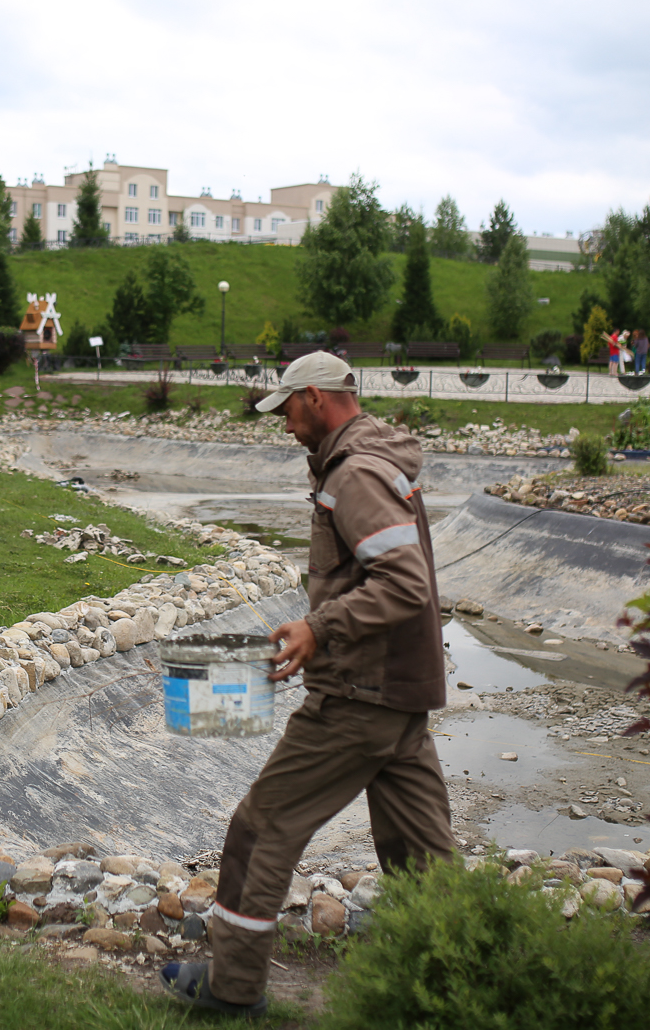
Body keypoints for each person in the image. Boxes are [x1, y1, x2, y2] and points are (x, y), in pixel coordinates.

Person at [160, 352, 455, 1018]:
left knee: (260, 830)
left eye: (289, 409)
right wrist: (319, 630)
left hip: (359, 698)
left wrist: (320, 629)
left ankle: (232, 987)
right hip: (401, 697)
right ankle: (466, 979)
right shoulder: (378, 460)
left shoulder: (354, 476)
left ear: (318, 399)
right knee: (422, 856)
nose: (286, 425)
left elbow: (405, 584)